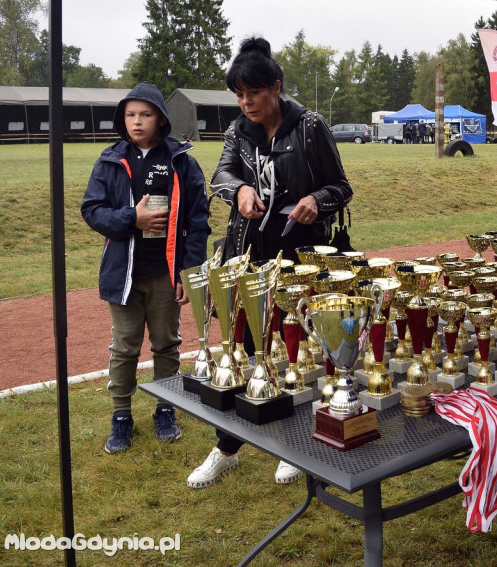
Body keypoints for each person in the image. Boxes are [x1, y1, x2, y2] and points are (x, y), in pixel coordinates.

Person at [191, 37, 353, 489]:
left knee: (294, 351)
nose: (245, 103)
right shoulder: (237, 131)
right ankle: (227, 447)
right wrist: (239, 190)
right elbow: (220, 174)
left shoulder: (310, 126)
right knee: (239, 350)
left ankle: (295, 443)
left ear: (275, 87)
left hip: (298, 261)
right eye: (238, 95)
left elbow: (341, 187)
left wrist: (315, 200)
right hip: (245, 257)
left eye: (254, 93)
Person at [81, 82, 211, 455]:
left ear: (161, 119)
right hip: (122, 275)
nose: (137, 121)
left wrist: (189, 270)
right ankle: (121, 416)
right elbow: (92, 211)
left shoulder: (181, 161)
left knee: (166, 345)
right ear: (123, 119)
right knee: (124, 348)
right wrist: (132, 218)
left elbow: (198, 221)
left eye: (146, 114)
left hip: (165, 275)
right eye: (130, 114)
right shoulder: (109, 160)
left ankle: (165, 408)